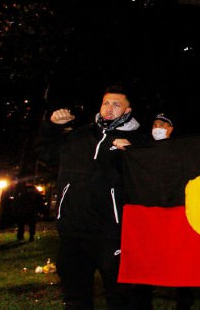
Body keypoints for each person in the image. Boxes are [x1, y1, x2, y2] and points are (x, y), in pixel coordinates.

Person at [36, 85, 143, 309]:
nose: (109, 109)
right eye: (106, 103)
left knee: (123, 298)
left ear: (127, 110)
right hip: (73, 231)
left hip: (111, 234)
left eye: (116, 104)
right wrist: (51, 127)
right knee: (75, 298)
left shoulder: (138, 140)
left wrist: (135, 153)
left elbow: (153, 174)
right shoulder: (79, 136)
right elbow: (46, 154)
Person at [133, 113, 194, 310]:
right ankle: (144, 298)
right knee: (147, 257)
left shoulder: (181, 150)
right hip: (151, 212)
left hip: (175, 212)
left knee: (181, 259)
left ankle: (183, 301)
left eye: (163, 124)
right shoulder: (142, 150)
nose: (157, 127)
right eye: (155, 124)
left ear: (171, 129)